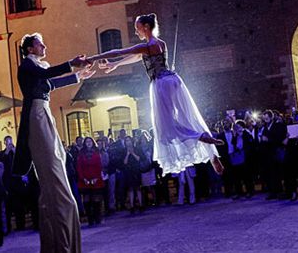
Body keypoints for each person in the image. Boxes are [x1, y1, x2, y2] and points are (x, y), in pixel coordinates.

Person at [87, 13, 224, 175]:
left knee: (166, 130)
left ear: (146, 27)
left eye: (137, 28)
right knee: (188, 117)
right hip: (174, 80)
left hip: (161, 84)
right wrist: (115, 65)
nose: (136, 31)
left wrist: (94, 58)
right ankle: (211, 154)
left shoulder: (147, 46)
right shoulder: (160, 44)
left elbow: (119, 51)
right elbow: (136, 57)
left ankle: (199, 137)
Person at [12, 32, 93, 253]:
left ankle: (56, 242)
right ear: (30, 49)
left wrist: (78, 75)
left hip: (44, 113)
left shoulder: (36, 68)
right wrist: (71, 63)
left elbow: (51, 83)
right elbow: (46, 74)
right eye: (40, 44)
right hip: (37, 116)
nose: (44, 47)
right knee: (52, 168)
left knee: (57, 162)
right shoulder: (27, 66)